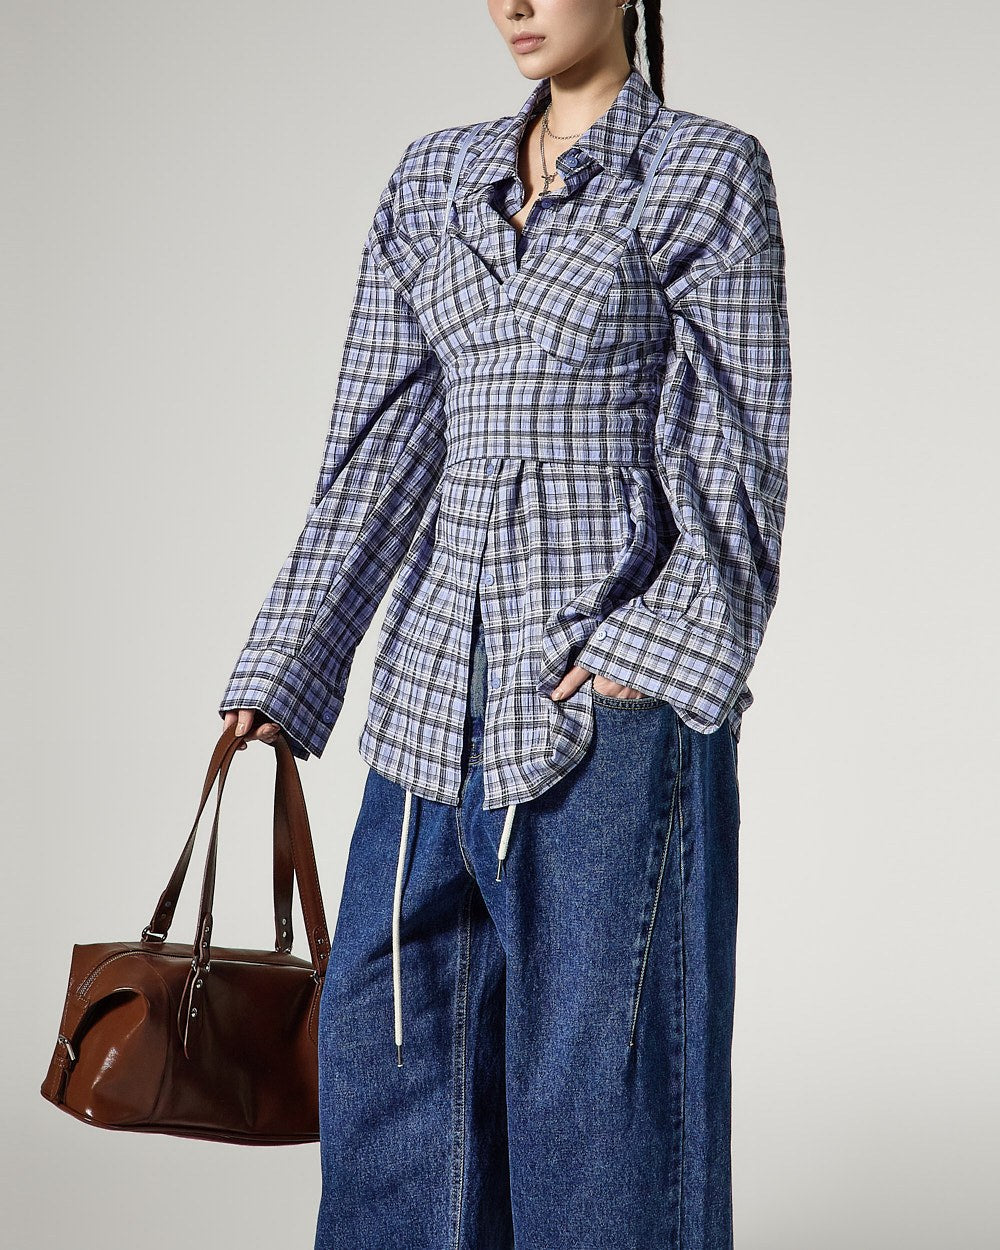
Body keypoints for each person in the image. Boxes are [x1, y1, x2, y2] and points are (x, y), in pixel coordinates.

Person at [219, 1, 791, 1246]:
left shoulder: (704, 173)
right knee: (390, 1102)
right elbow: (382, 444)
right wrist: (286, 660)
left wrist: (643, 660)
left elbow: (734, 457)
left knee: (600, 1129)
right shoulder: (433, 180)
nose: (515, 3)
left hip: (602, 727)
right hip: (425, 718)